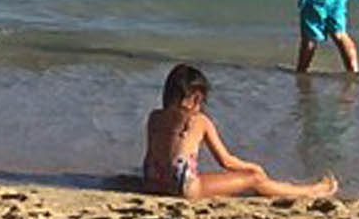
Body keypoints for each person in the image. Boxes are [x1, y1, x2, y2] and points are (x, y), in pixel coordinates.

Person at [141, 64, 336, 200]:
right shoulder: (198, 121)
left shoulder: (154, 117)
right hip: (182, 187)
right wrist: (253, 168)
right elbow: (226, 161)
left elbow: (156, 154)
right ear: (196, 97)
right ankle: (309, 191)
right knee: (254, 180)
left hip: (153, 182)